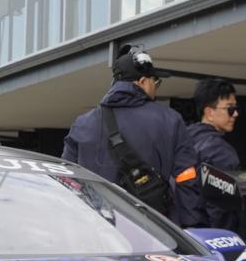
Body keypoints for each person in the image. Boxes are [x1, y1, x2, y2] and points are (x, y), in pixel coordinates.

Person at [61, 45, 182, 215]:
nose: (156, 87)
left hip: (98, 229)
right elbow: (186, 178)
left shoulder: (82, 124)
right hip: (154, 231)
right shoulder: (170, 120)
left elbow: (66, 179)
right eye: (155, 82)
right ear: (142, 82)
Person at [173, 79, 243, 231]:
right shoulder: (219, 151)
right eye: (230, 109)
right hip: (208, 237)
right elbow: (222, 207)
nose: (235, 114)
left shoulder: (182, 141)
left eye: (236, 108)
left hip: (178, 232)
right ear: (209, 113)